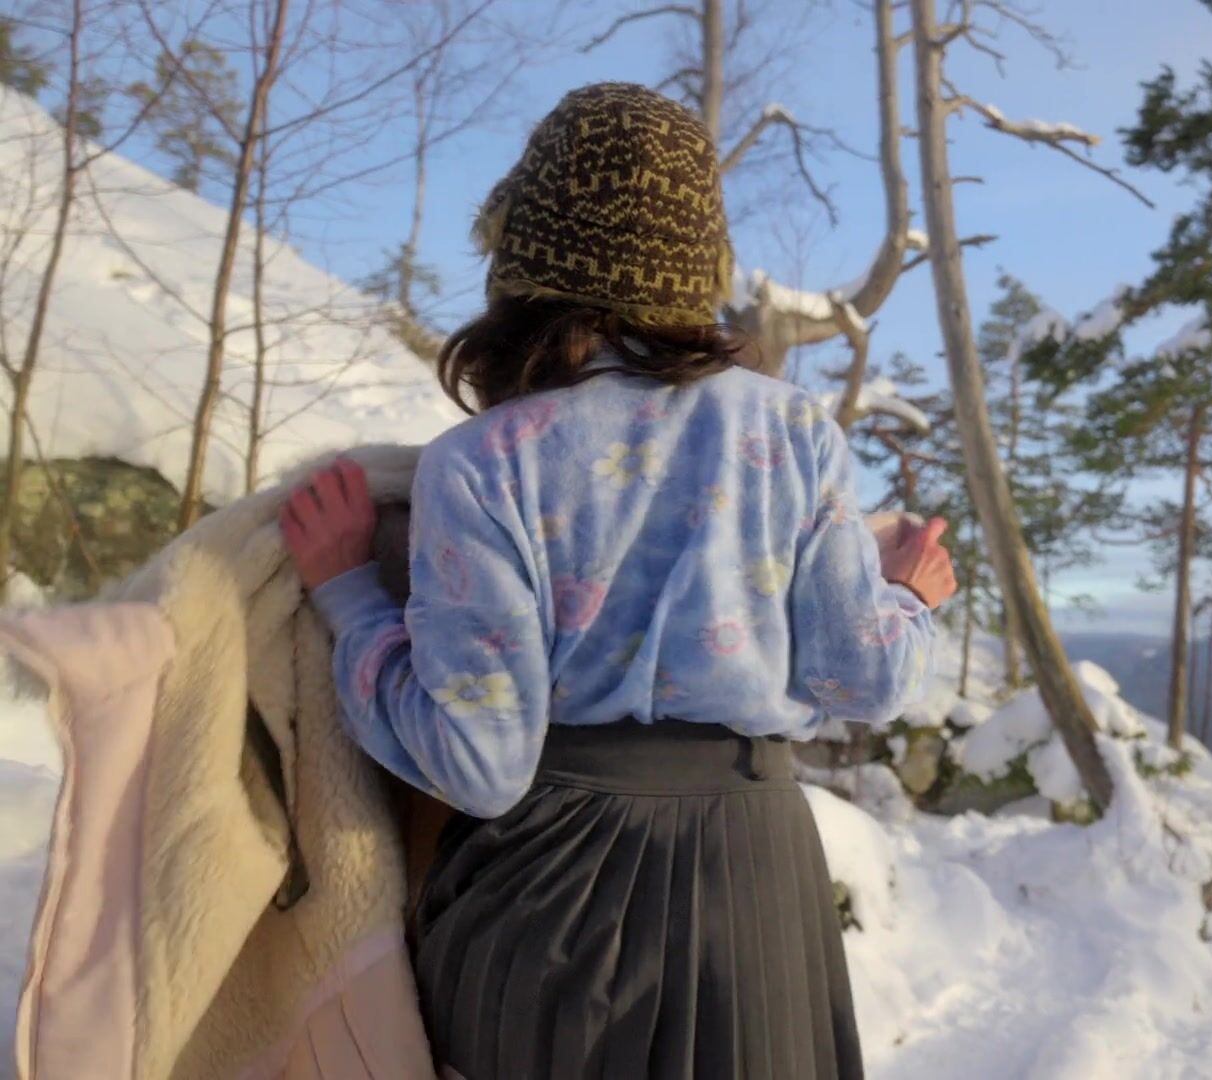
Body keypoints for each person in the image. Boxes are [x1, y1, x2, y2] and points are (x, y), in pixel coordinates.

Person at [277, 82, 956, 1080]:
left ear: (526, 256)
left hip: (548, 904)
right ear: (696, 260)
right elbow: (862, 677)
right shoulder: (795, 433)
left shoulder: (484, 462)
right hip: (752, 895)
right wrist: (909, 596)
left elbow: (477, 762)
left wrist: (346, 593)